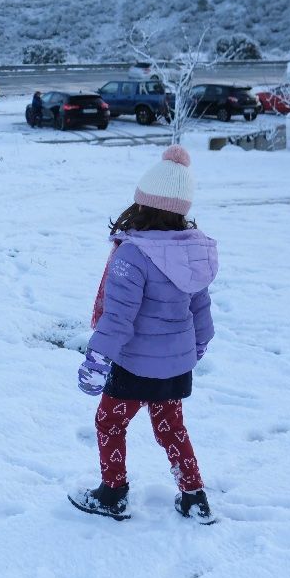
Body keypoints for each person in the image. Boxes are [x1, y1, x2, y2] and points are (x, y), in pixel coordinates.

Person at [68, 145, 219, 524]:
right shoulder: (191, 252)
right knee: (172, 428)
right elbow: (201, 309)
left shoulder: (132, 255)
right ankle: (194, 496)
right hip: (175, 367)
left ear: (142, 203)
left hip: (134, 367)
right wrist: (196, 348)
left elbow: (118, 319)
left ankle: (112, 493)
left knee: (110, 422)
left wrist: (97, 360)